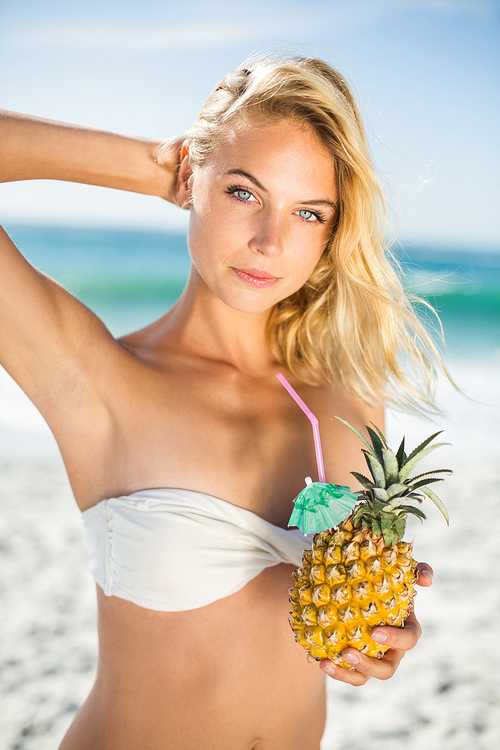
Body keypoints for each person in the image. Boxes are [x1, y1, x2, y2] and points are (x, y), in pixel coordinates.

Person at [0, 55, 442, 750]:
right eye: (244, 193)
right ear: (192, 180)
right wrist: (154, 163)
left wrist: (384, 630)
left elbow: (353, 610)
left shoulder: (348, 398)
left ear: (331, 232)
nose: (271, 241)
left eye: (308, 212)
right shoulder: (97, 378)